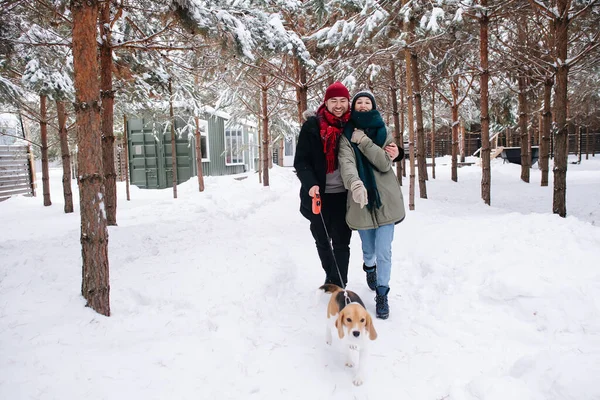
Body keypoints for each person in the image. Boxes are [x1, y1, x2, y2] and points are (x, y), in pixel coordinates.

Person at [338, 89, 406, 319]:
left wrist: (364, 141)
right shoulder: (346, 136)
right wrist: (355, 184)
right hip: (361, 201)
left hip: (386, 200)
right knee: (369, 250)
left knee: (384, 251)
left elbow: (384, 163)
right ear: (354, 107)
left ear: (373, 106)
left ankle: (382, 293)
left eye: (368, 102)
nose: (364, 105)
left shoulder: (383, 132)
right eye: (360, 102)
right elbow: (346, 163)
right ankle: (369, 267)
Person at [293, 81, 353, 288]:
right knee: (321, 238)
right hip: (318, 194)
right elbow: (301, 161)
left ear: (348, 102)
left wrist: (396, 152)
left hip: (345, 195)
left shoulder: (353, 125)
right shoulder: (312, 126)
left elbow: (377, 142)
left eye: (342, 100)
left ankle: (340, 283)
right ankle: (330, 274)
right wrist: (310, 184)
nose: (338, 105)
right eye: (333, 100)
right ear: (326, 102)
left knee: (342, 241)